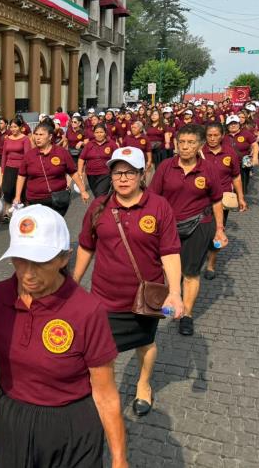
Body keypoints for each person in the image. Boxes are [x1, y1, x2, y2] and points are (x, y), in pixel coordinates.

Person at [0, 205, 127, 467]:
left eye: (40, 262)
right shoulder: (0, 295)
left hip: (71, 428)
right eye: (20, 259)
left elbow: (105, 393)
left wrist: (119, 458)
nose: (27, 273)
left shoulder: (86, 310)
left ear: (63, 258)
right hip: (12, 421)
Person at [74, 147, 183, 417]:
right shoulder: (99, 206)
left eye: (130, 172)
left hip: (145, 296)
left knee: (145, 344)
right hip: (104, 297)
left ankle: (143, 384)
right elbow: (86, 246)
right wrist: (73, 282)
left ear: (142, 173)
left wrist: (176, 293)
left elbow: (169, 252)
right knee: (102, 352)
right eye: (117, 172)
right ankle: (104, 392)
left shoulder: (159, 207)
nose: (123, 179)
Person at [149, 124, 227, 336]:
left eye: (191, 143)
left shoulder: (208, 169)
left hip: (199, 226)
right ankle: (170, 299)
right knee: (166, 269)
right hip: (168, 228)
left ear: (200, 145)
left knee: (190, 272)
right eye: (181, 142)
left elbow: (217, 200)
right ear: (176, 144)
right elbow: (153, 199)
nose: (185, 147)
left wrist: (219, 229)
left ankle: (187, 314)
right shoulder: (165, 167)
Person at [202, 123, 247, 280]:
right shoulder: (199, 152)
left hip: (221, 201)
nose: (213, 139)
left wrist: (241, 197)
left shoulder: (230, 153)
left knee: (217, 231)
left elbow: (236, 176)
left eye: (216, 135)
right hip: (200, 199)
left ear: (222, 136)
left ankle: (211, 264)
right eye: (209, 135)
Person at [14, 121, 89, 215]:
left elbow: (73, 172)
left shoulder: (61, 152)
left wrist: (82, 190)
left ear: (50, 137)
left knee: (54, 227)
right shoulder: (29, 155)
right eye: (36, 134)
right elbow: (21, 176)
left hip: (58, 199)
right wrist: (17, 196)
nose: (37, 137)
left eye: (41, 134)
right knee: (40, 227)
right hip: (34, 200)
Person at [78, 124, 118, 198]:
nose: (99, 134)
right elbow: (81, 158)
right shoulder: (89, 144)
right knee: (97, 195)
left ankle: (101, 208)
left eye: (101, 132)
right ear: (94, 134)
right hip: (91, 175)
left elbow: (118, 157)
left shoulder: (111, 144)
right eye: (97, 132)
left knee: (100, 194)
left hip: (106, 174)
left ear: (105, 133)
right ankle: (105, 207)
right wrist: (80, 172)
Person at [225, 114, 259, 195]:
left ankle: (240, 200)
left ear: (239, 124)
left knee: (242, 185)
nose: (233, 125)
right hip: (227, 165)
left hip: (242, 165)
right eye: (230, 124)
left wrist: (255, 157)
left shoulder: (246, 134)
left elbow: (255, 145)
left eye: (235, 123)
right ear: (227, 126)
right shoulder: (223, 136)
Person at [0, 118, 31, 205]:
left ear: (20, 127)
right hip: (9, 168)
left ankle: (20, 212)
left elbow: (27, 156)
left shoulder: (25, 139)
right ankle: (8, 214)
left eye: (15, 127)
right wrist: (2, 170)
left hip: (21, 169)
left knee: (20, 193)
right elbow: (4, 155)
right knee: (7, 191)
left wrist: (26, 170)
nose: (13, 129)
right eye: (11, 127)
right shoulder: (7, 139)